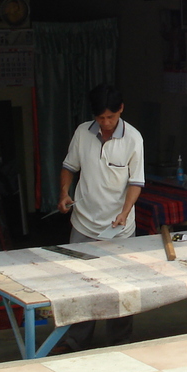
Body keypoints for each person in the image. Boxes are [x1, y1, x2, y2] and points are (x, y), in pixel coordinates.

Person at [57, 83, 144, 348]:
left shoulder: (133, 138)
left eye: (111, 117)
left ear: (121, 110)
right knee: (80, 285)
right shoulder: (82, 132)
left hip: (119, 227)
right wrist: (64, 192)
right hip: (83, 223)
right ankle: (75, 340)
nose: (106, 123)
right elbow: (69, 166)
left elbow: (136, 182)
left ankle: (120, 341)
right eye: (100, 118)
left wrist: (124, 212)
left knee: (121, 285)